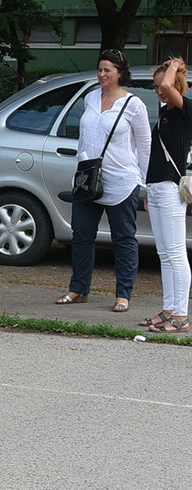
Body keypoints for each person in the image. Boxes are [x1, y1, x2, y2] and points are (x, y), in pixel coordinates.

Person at [56, 49, 151, 311]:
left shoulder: (134, 105)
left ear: (120, 73)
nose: (101, 74)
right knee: (81, 235)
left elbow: (145, 147)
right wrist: (81, 165)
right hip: (89, 180)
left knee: (124, 238)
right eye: (99, 69)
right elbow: (85, 138)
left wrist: (147, 187)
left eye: (107, 70)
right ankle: (79, 289)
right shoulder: (90, 97)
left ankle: (123, 295)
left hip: (122, 180)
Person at [141, 58, 191, 333]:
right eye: (156, 86)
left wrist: (173, 65)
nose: (159, 90)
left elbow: (170, 86)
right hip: (157, 187)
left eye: (162, 85)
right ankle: (169, 309)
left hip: (172, 188)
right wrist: (148, 189)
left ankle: (181, 316)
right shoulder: (165, 114)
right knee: (164, 253)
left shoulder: (186, 109)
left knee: (175, 252)